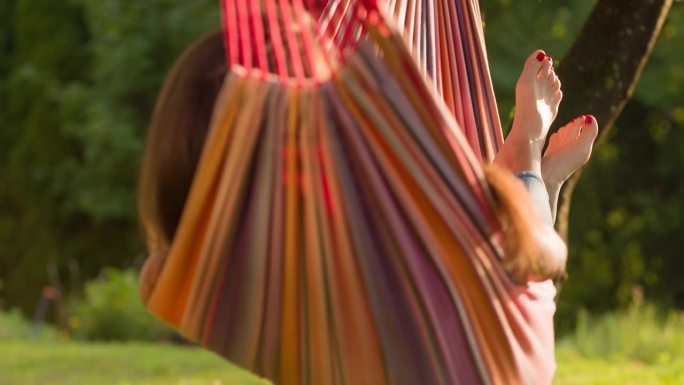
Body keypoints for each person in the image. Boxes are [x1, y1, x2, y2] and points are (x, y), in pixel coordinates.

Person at [137, 30, 597, 384]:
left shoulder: (216, 281)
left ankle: (527, 181)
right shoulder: (374, 251)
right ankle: (527, 169)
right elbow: (538, 276)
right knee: (520, 265)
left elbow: (157, 275)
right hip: (483, 349)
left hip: (420, 329)